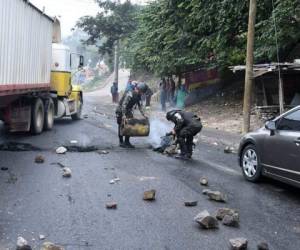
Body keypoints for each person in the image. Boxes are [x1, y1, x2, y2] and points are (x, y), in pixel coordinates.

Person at [116, 83, 148, 148]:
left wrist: (144, 115)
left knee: (129, 125)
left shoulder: (138, 96)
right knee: (121, 125)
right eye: (142, 92)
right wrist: (124, 115)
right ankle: (121, 142)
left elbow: (140, 106)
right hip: (121, 110)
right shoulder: (130, 93)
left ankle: (127, 142)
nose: (142, 94)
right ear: (140, 90)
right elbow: (124, 104)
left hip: (128, 110)